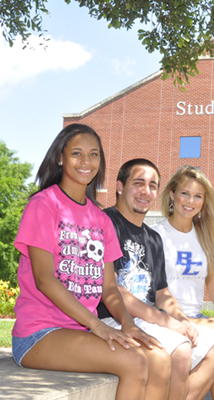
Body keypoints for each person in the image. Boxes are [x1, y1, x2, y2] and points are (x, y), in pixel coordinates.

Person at [11, 124, 169, 400]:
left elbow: (109, 288)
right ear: (61, 157)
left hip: (80, 331)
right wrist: (98, 326)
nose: (86, 162)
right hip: (39, 333)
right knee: (135, 360)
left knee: (159, 358)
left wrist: (128, 324)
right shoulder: (44, 205)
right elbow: (45, 279)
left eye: (94, 155)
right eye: (77, 153)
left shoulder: (100, 219)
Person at [96, 158, 214, 400]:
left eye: (152, 186)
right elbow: (113, 289)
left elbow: (162, 293)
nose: (146, 191)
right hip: (112, 317)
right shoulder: (106, 223)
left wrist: (180, 320)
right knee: (180, 350)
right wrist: (166, 322)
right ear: (119, 186)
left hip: (147, 318)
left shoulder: (152, 238)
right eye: (138, 183)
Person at [152, 165, 214, 400]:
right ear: (172, 195)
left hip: (195, 316)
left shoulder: (205, 237)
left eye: (198, 196)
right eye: (185, 193)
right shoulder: (155, 235)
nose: (190, 201)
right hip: (167, 316)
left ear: (204, 201)